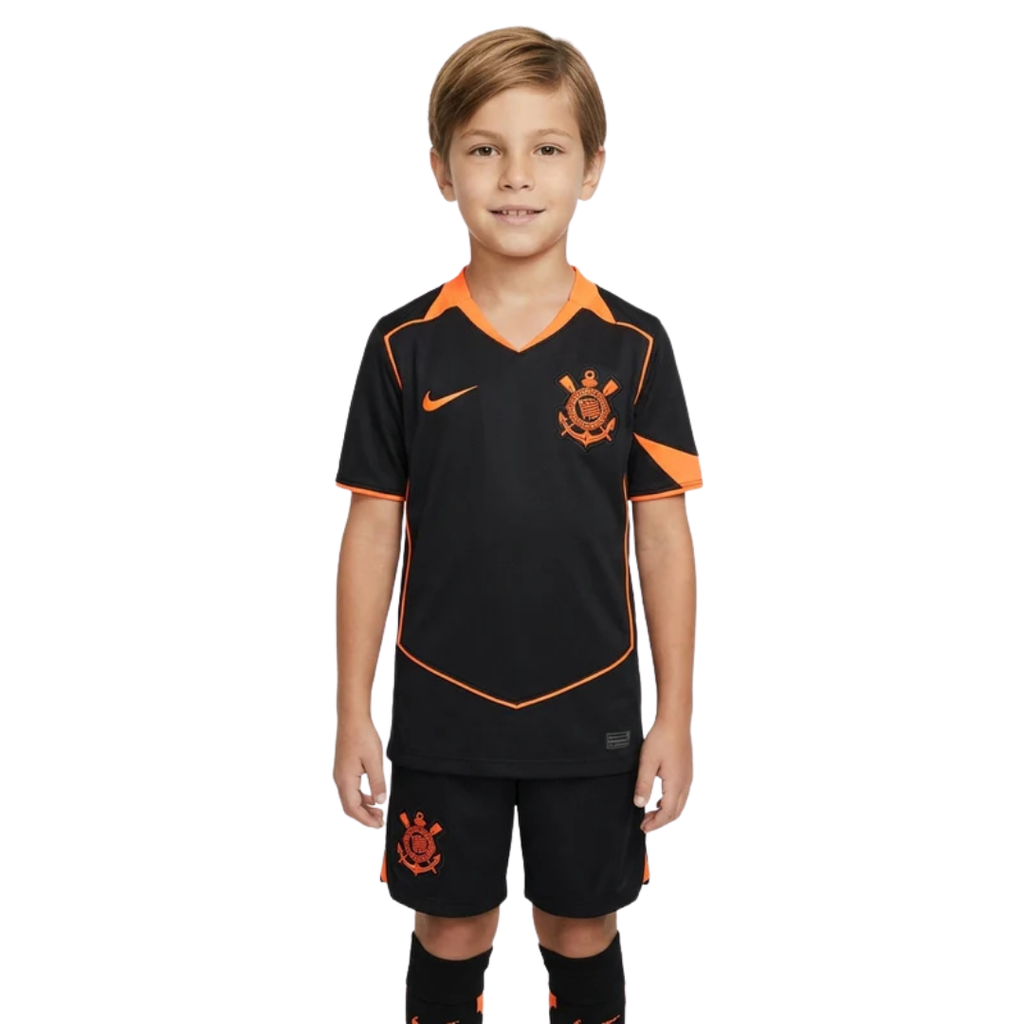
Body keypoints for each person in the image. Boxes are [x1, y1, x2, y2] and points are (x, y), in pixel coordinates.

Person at [333, 25, 702, 1024]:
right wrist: (353, 708)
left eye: (547, 147)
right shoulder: (403, 345)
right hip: (442, 708)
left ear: (592, 169)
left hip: (591, 710)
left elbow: (663, 537)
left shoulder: (634, 346)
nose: (515, 176)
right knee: (451, 928)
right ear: (441, 169)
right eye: (484, 148)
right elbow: (372, 529)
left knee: (580, 926)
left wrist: (673, 714)